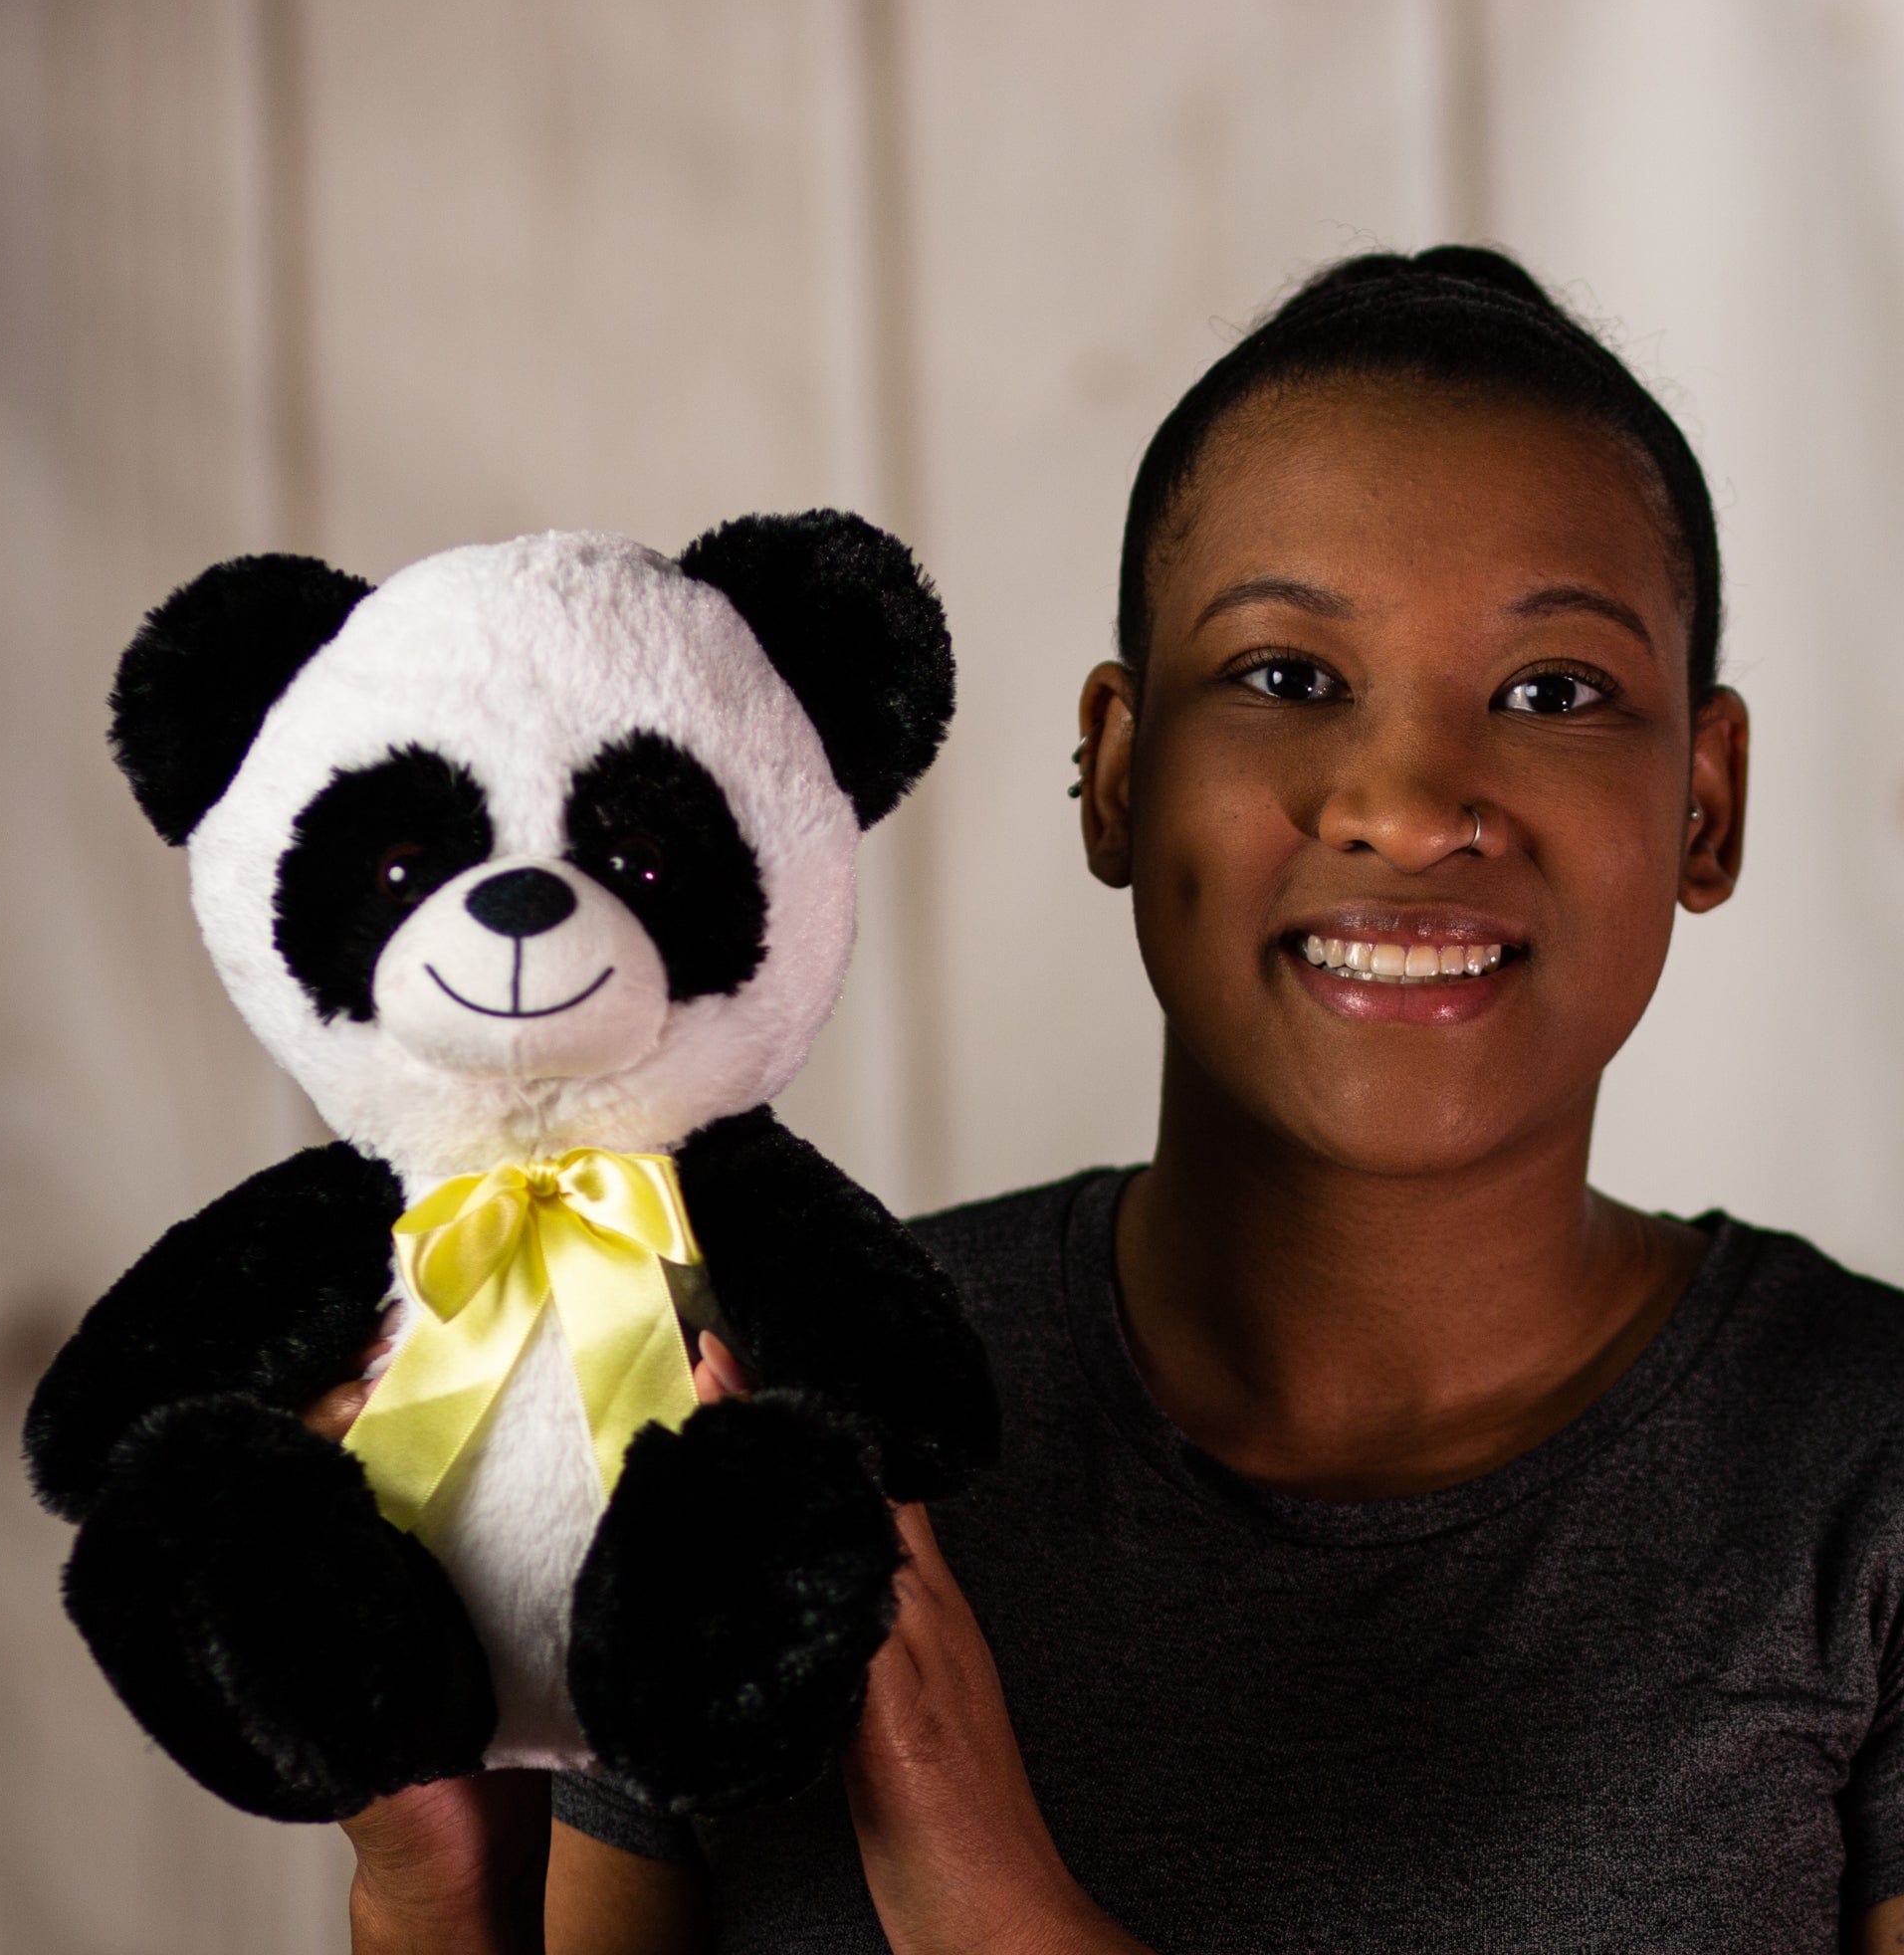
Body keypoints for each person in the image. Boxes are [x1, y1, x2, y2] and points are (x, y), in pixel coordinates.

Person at [329, 247, 1904, 1952]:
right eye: (1289, 678)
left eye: (1553, 693)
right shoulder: (773, 1404)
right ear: (1120, 774)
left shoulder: (1863, 1480)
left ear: (1707, 801)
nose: (1405, 803)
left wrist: (998, 1907)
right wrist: (438, 1873)